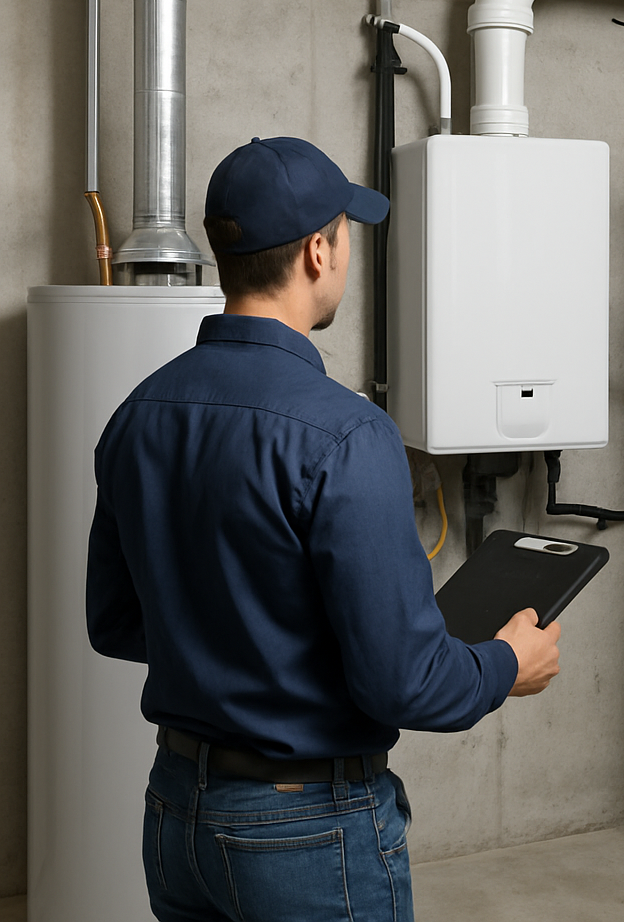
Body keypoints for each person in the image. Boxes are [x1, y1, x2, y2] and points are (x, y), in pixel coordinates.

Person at [86, 136, 562, 922]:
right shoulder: (347, 434)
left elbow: (115, 623)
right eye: (345, 235)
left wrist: (238, 632)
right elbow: (402, 681)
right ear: (317, 251)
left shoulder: (138, 415)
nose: (345, 255)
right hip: (302, 827)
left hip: (175, 816)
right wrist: (508, 664)